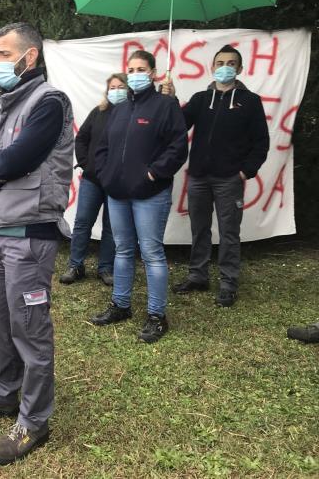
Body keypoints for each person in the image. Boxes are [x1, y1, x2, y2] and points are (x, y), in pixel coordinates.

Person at [0, 22, 74, 465]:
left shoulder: (50, 103)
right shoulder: (2, 108)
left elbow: (20, 158)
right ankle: (3, 391)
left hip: (29, 234)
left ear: (30, 57)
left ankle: (34, 420)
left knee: (30, 328)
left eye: (6, 54)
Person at [90, 50, 188, 344]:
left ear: (154, 73)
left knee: (152, 253)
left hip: (150, 194)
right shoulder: (118, 109)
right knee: (122, 250)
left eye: (141, 68)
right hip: (117, 192)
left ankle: (157, 316)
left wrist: (153, 173)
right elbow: (104, 146)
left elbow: (178, 146)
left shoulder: (165, 105)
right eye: (130, 69)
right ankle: (121, 305)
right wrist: (106, 175)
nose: (134, 74)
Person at [172, 45, 269, 307]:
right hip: (199, 177)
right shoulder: (200, 99)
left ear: (239, 68)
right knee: (199, 229)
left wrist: (245, 171)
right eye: (220, 62)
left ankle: (228, 282)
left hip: (229, 179)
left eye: (231, 62)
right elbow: (178, 124)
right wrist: (169, 100)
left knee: (229, 232)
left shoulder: (250, 101)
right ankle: (198, 275)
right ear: (212, 67)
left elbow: (261, 143)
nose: (224, 66)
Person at [59, 73, 127, 287]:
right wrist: (86, 163)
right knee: (82, 223)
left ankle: (105, 268)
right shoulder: (99, 112)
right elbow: (82, 138)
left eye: (120, 86)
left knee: (112, 226)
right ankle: (75, 265)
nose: (116, 90)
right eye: (112, 87)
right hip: (92, 179)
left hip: (118, 181)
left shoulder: (132, 113)